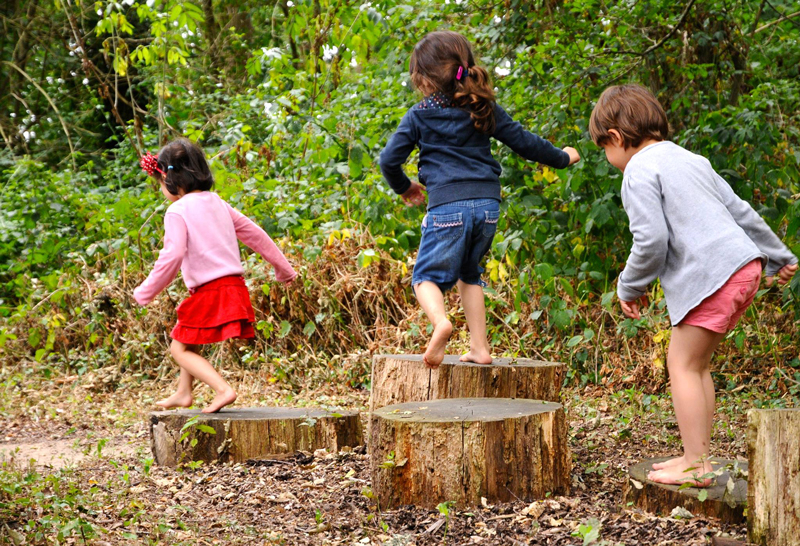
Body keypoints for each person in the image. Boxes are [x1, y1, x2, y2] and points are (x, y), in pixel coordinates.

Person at [589, 84, 798, 486]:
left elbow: (651, 241)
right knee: (697, 365)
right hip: (743, 267)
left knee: (681, 364)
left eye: (603, 148)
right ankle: (697, 458)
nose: (607, 157)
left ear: (615, 138)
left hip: (713, 275)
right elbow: (741, 210)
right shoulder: (690, 158)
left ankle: (695, 464)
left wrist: (628, 286)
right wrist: (779, 255)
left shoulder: (638, 171)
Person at [379, 31, 580, 369]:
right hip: (488, 207)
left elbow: (389, 160)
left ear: (423, 80)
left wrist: (405, 187)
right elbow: (523, 141)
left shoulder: (419, 115)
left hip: (447, 208)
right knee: (469, 273)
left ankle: (441, 321)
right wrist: (562, 157)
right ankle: (480, 348)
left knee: (424, 278)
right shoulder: (481, 107)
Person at [134, 139, 296, 413]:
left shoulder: (177, 211)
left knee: (178, 349)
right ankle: (184, 392)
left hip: (211, 291)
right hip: (233, 286)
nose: (162, 190)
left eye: (160, 183)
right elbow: (255, 234)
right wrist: (284, 268)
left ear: (170, 179)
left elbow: (172, 256)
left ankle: (222, 389)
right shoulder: (218, 203)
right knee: (188, 337)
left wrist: (145, 291)